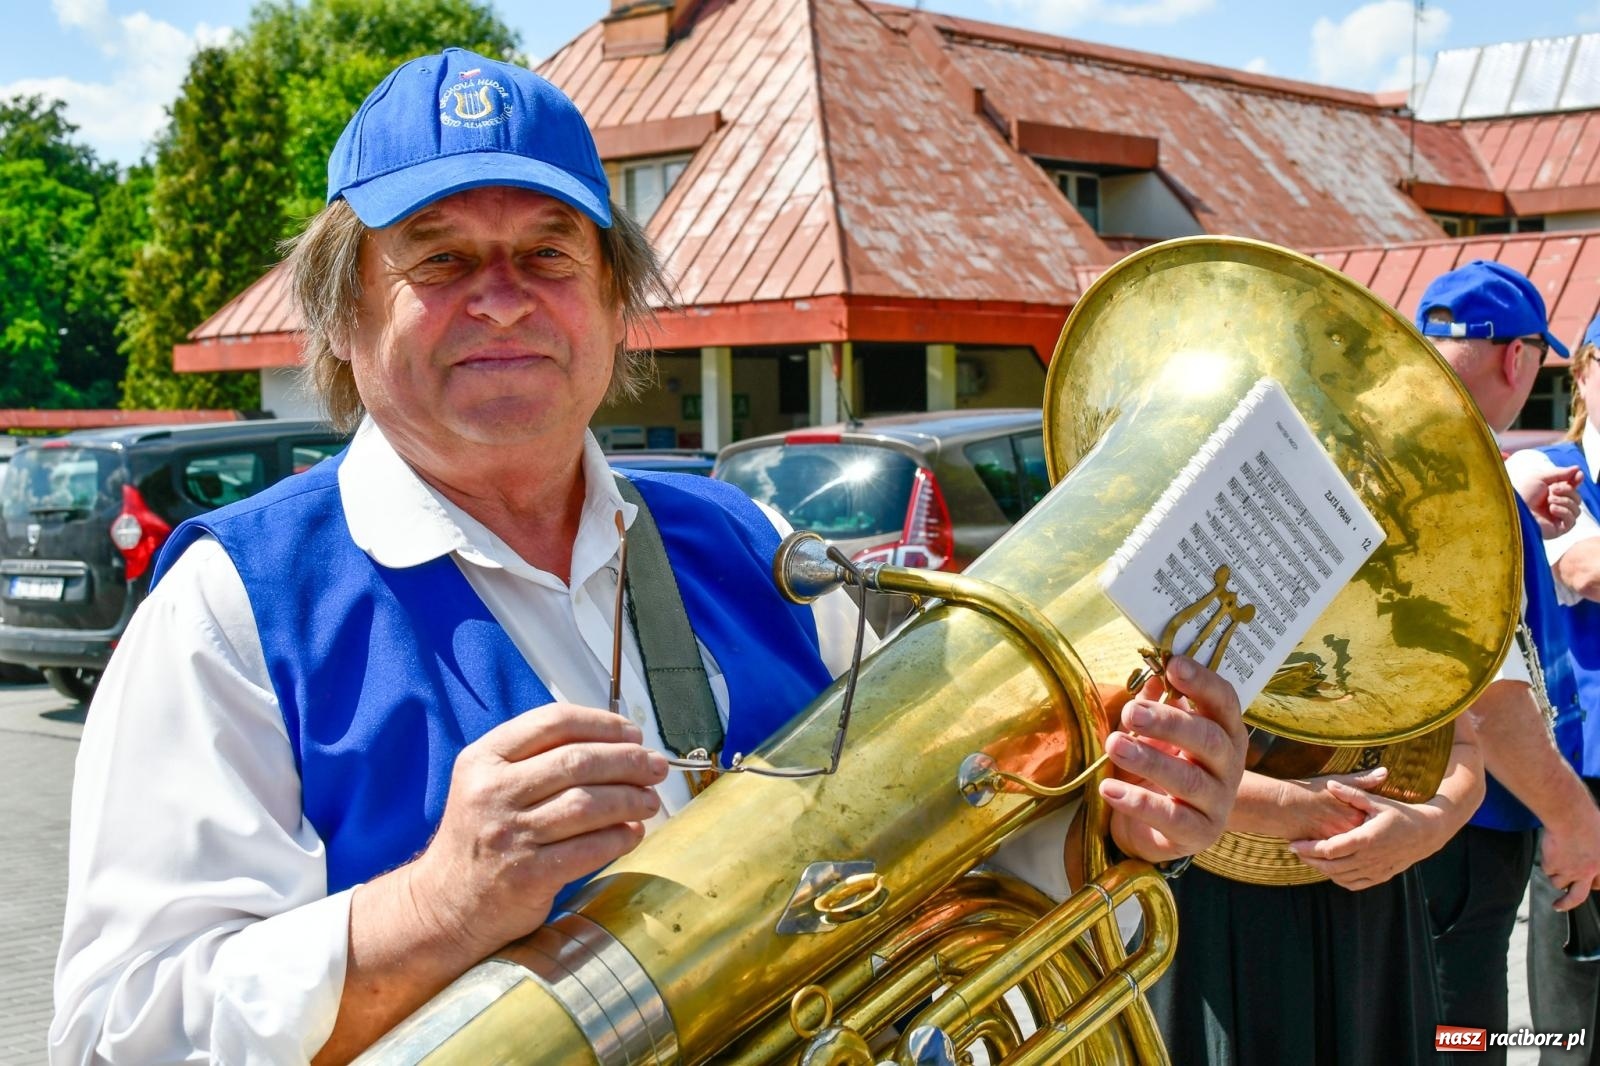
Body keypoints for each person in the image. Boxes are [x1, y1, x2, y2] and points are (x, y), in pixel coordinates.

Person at [49, 48, 1247, 1064]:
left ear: (616, 306)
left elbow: (947, 841)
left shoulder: (751, 544)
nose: (504, 298)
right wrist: (437, 903)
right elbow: (122, 1029)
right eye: (440, 258)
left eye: (549, 253)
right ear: (343, 315)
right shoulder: (231, 607)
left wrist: (1112, 818)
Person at [1149, 278, 1523, 1065]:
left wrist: (1425, 826)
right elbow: (1140, 755)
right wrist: (1299, 809)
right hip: (1212, 914)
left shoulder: (1400, 574)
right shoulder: (1182, 573)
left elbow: (1464, 752)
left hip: (1369, 912)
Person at [1415, 262, 1600, 1066]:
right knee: (1465, 1031)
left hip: (1444, 815)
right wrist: (1570, 816)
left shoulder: (1432, 464)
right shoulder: (1465, 475)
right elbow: (1489, 698)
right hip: (1470, 818)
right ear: (1518, 357)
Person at [1505, 311, 1600, 1065]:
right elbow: (1584, 570)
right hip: (1581, 770)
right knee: (1575, 997)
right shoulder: (1551, 470)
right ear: (1585, 371)